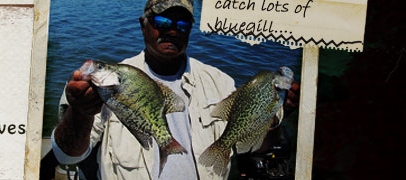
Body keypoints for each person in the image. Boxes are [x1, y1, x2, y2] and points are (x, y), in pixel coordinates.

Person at [51, 0, 299, 179]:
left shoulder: (220, 82)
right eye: (162, 20)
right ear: (143, 24)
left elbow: (255, 146)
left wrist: (274, 116)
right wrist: (80, 113)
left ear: (190, 29)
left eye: (182, 23)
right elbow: (67, 157)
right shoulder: (97, 87)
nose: (172, 30)